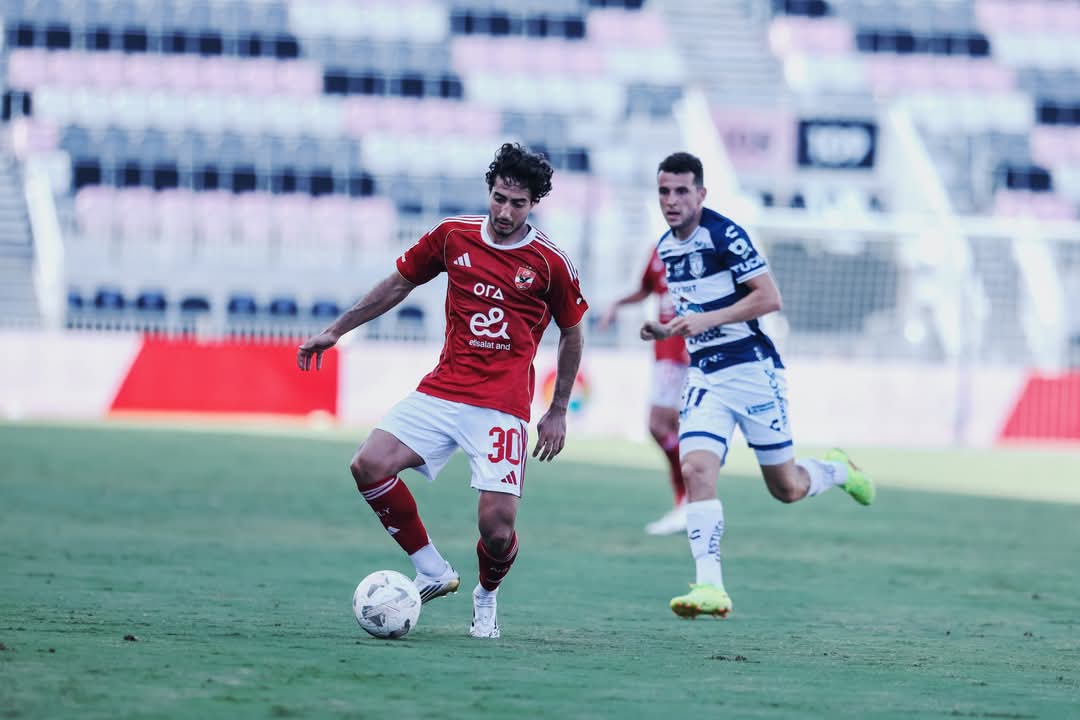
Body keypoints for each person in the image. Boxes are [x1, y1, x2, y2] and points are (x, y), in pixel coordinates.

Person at [297, 143, 588, 638]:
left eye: (517, 204)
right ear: (489, 191)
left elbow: (573, 333)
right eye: (499, 198)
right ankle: (432, 568)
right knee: (368, 464)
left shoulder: (550, 263)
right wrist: (337, 330)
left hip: (502, 407)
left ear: (534, 204)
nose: (505, 211)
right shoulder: (453, 235)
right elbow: (398, 284)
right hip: (443, 389)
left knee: (497, 531)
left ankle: (486, 595)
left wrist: (557, 408)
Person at [640, 152, 874, 620]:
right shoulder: (666, 247)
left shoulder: (725, 234)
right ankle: (710, 587)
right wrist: (667, 329)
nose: (672, 200)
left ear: (701, 194)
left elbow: (769, 297)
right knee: (696, 469)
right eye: (664, 191)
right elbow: (694, 314)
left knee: (786, 488)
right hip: (705, 374)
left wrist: (709, 319)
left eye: (682, 191)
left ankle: (837, 470)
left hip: (752, 371)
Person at [599, 247, 690, 535]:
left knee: (660, 425)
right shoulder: (658, 250)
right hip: (664, 350)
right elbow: (645, 289)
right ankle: (689, 501)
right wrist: (617, 303)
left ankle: (690, 498)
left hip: (683, 351)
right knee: (671, 429)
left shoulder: (699, 245)